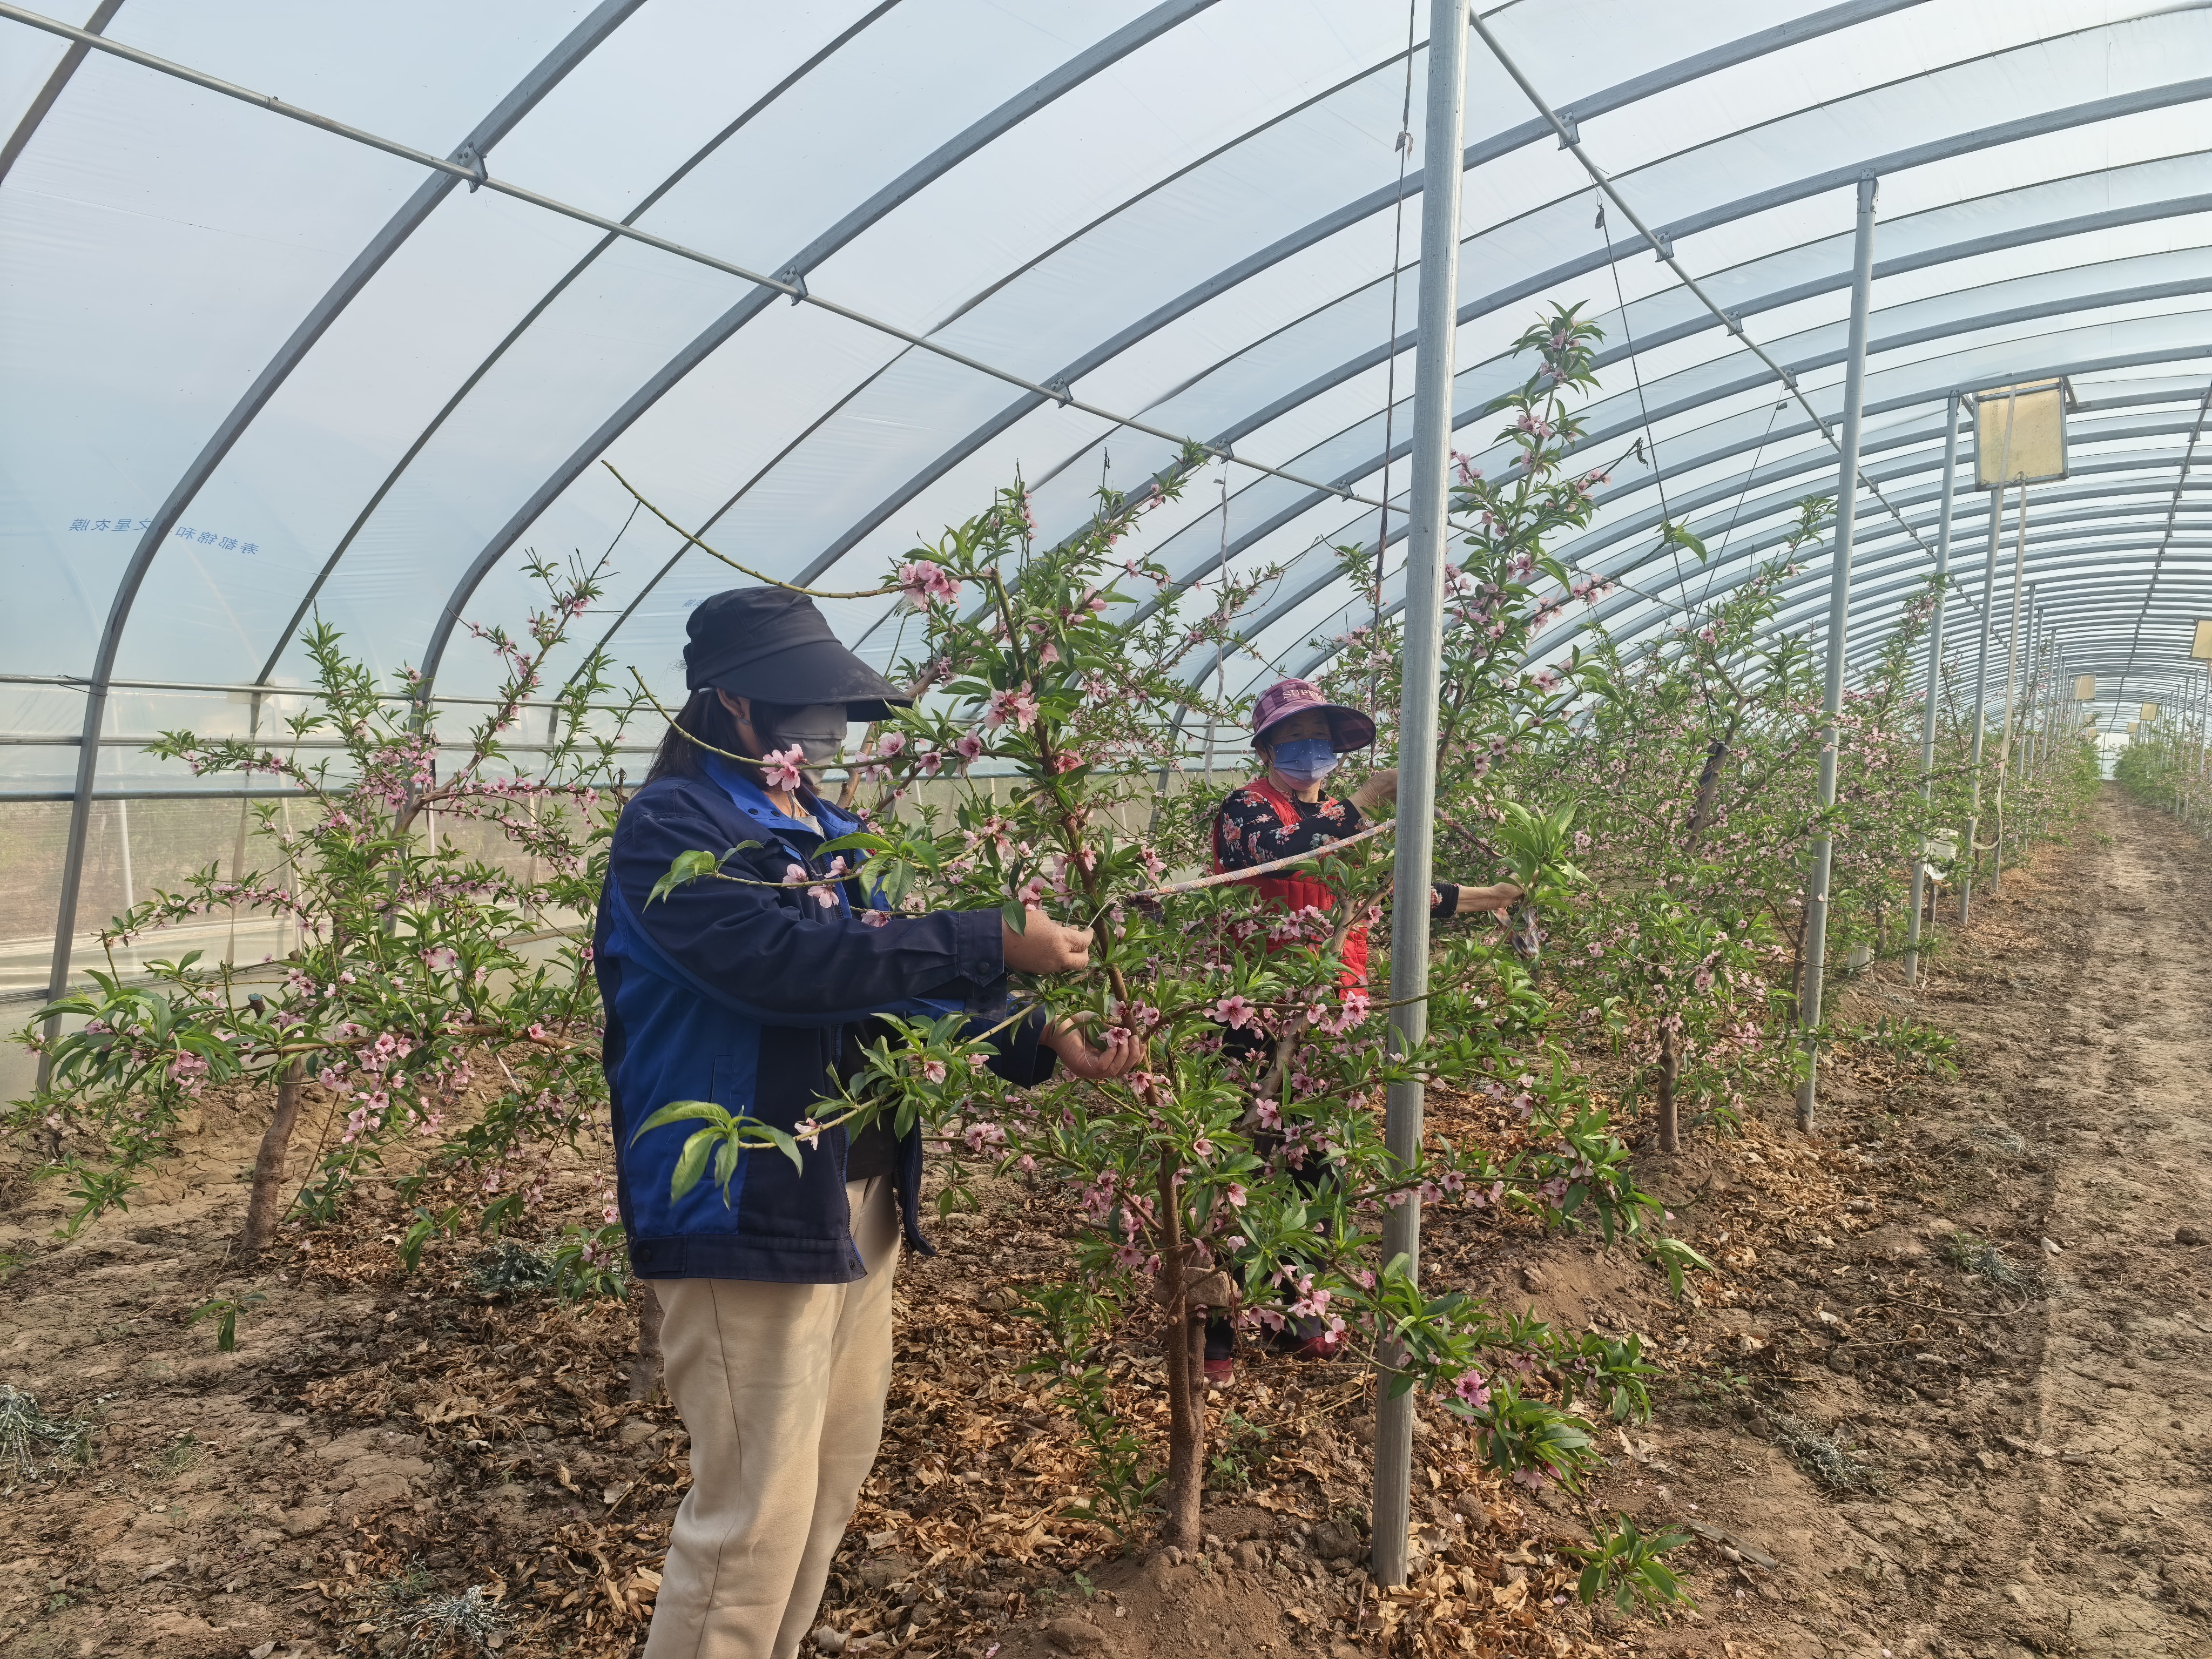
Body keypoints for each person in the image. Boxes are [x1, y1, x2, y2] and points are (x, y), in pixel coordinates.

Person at [596, 587, 1142, 1659]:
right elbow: (785, 965)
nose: (826, 728)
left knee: (827, 1481)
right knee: (751, 1517)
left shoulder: (832, 831)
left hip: (854, 1194)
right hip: (747, 1203)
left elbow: (897, 981)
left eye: (834, 708)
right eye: (802, 704)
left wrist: (1038, 1035)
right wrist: (985, 938)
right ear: (732, 704)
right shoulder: (673, 829)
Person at [1203, 677, 1521, 1382]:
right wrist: (1367, 801)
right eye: (1293, 739)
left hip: (1331, 1017)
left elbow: (1404, 889)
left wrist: (1493, 896)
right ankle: (1216, 1329)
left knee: (1318, 1166)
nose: (1308, 751)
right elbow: (1281, 849)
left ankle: (1296, 1312)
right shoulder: (1246, 811)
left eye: (1318, 738)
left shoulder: (1350, 831)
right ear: (1267, 750)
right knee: (1238, 1165)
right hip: (1256, 1014)